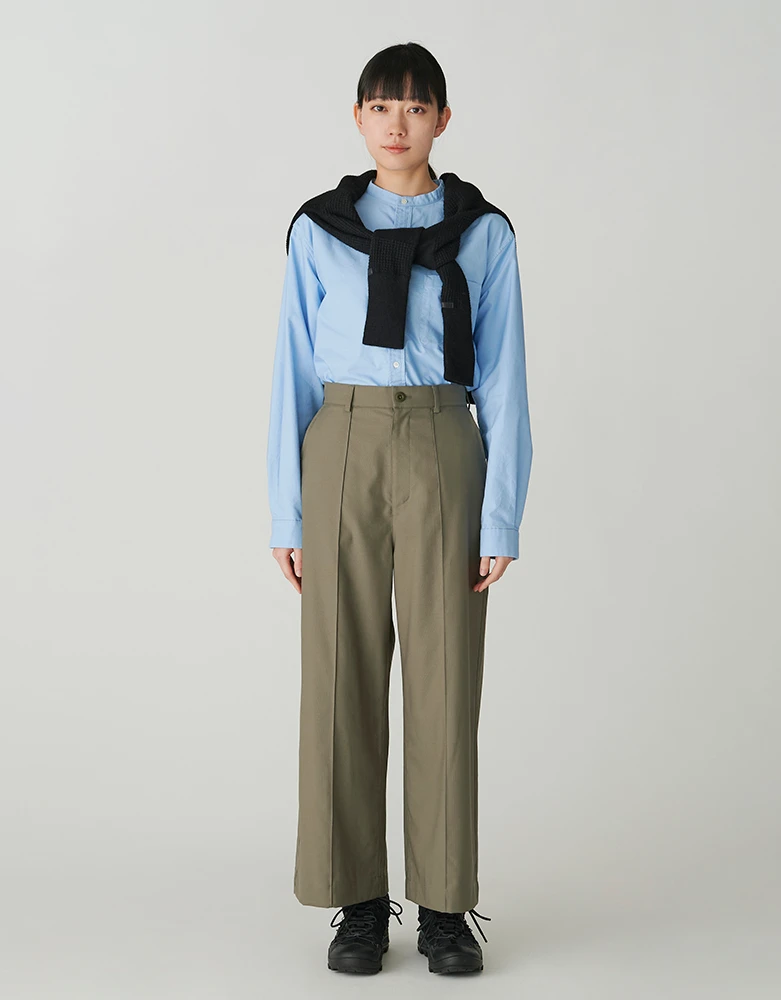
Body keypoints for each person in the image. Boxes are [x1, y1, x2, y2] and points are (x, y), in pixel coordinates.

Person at [267, 42, 533, 975]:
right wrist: (287, 513)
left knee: (445, 674)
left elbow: (504, 376)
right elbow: (292, 370)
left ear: (443, 121)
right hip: (340, 442)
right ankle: (358, 902)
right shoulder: (319, 229)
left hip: (444, 440)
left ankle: (446, 906)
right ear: (357, 117)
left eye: (416, 107)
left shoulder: (482, 232)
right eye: (380, 106)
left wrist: (501, 514)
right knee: (340, 675)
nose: (397, 123)